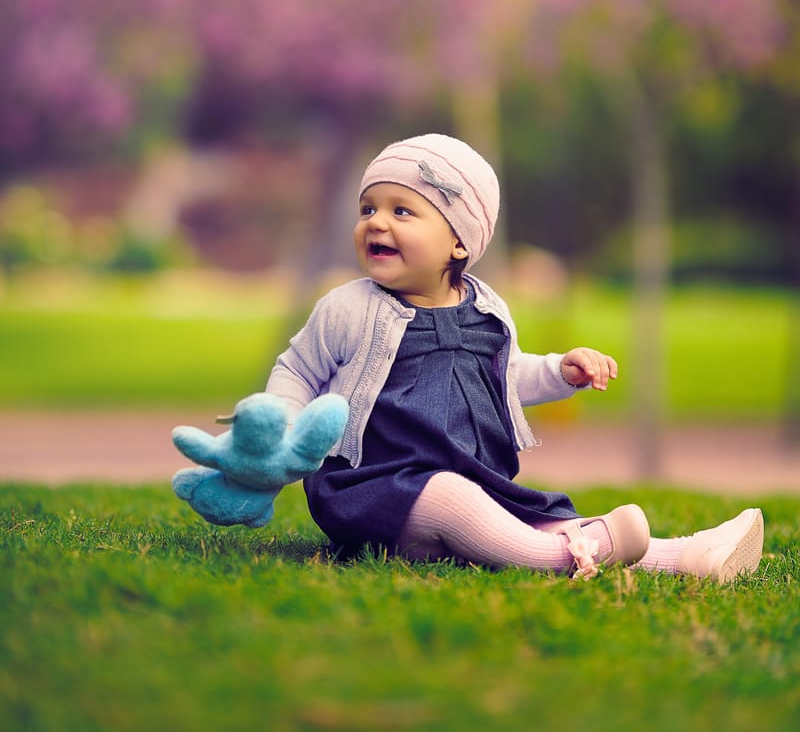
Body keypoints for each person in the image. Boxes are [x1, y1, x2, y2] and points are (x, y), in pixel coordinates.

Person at [266, 134, 764, 582]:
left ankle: (690, 556)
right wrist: (280, 431)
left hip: (475, 481)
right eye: (368, 209)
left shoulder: (487, 311)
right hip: (373, 487)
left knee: (524, 515)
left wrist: (560, 371)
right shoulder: (348, 308)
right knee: (452, 498)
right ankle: (563, 557)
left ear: (458, 240)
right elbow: (298, 370)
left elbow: (504, 378)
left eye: (402, 211)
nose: (376, 222)